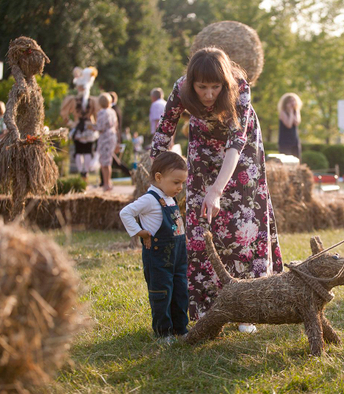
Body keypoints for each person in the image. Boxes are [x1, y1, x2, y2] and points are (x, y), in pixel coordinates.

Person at [151, 47, 283, 332]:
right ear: (192, 83)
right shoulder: (182, 88)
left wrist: (217, 190)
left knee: (241, 227)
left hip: (242, 154)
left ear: (225, 83)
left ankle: (248, 309)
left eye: (215, 87)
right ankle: (207, 306)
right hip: (202, 149)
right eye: (202, 87)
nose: (209, 94)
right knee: (201, 227)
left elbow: (237, 142)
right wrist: (154, 181)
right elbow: (164, 130)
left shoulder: (240, 87)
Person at [119, 151, 189, 343]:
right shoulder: (150, 199)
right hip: (158, 259)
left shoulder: (169, 198)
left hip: (178, 257)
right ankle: (163, 332)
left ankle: (181, 328)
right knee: (162, 294)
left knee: (180, 291)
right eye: (176, 182)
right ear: (159, 177)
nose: (180, 187)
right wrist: (139, 232)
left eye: (182, 183)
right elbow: (126, 213)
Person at [61, 67, 100, 181]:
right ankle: (85, 173)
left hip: (78, 127)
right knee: (87, 151)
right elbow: (98, 115)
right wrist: (95, 126)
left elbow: (64, 114)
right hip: (89, 128)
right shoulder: (93, 101)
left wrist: (72, 123)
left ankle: (81, 173)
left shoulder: (73, 100)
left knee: (79, 151)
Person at [95, 93, 118, 192]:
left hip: (104, 138)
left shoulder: (101, 113)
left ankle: (106, 183)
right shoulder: (112, 111)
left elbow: (100, 127)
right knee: (108, 161)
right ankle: (108, 182)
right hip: (112, 136)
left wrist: (91, 126)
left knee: (104, 162)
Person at [277, 93, 302, 159]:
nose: (292, 103)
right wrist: (290, 112)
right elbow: (289, 125)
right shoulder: (283, 112)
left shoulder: (296, 111)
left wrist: (295, 111)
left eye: (294, 101)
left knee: (297, 159)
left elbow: (297, 122)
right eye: (290, 101)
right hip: (285, 141)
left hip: (294, 140)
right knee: (286, 160)